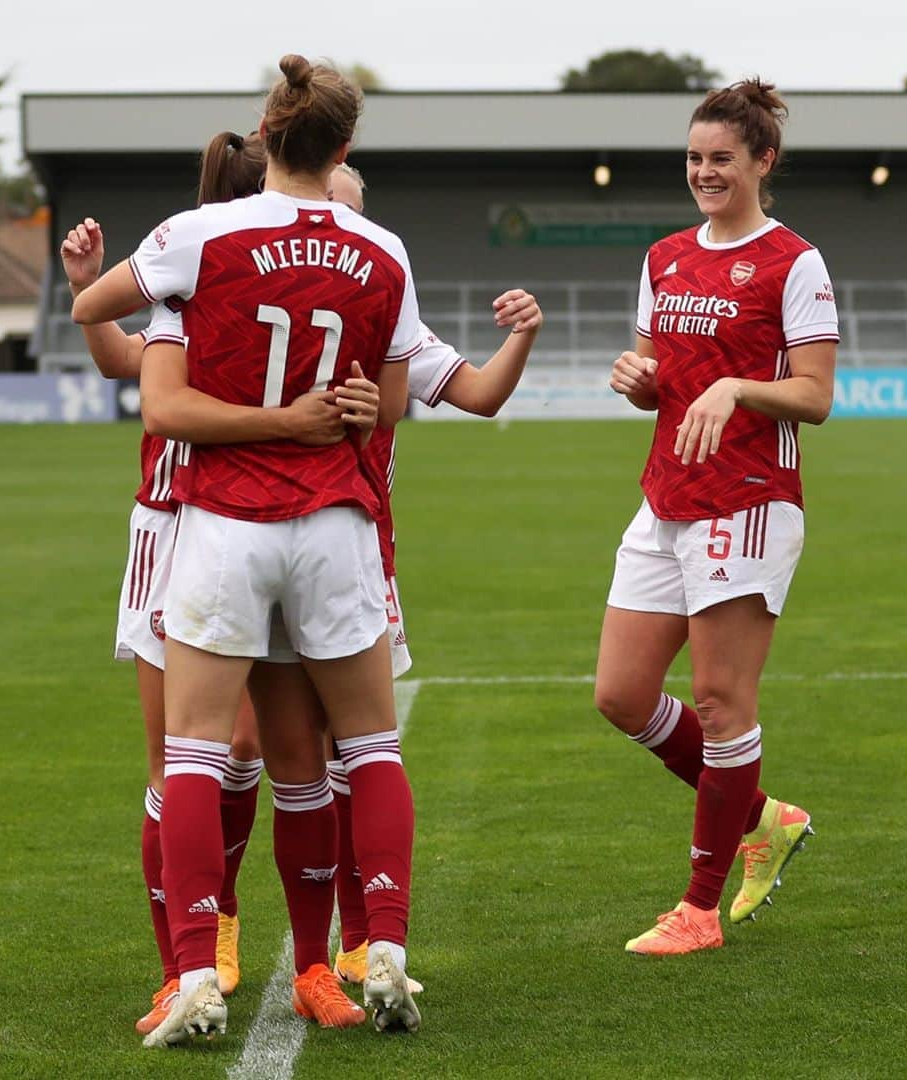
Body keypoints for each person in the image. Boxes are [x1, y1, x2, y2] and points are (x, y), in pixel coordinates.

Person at [73, 54, 423, 1045]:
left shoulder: (196, 236)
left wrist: (172, 295)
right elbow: (388, 404)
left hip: (225, 524)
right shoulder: (384, 250)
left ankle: (192, 973)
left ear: (266, 134)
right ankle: (382, 943)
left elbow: (98, 311)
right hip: (339, 527)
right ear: (344, 147)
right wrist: (340, 406)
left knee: (191, 753)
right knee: (367, 746)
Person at [597, 78, 836, 956]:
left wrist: (737, 386)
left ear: (762, 162)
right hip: (666, 496)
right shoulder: (664, 257)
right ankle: (763, 817)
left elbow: (814, 396)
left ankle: (699, 909)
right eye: (695, 158)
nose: (704, 172)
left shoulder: (794, 261)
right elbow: (660, 375)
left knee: (721, 700)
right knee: (620, 696)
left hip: (750, 502)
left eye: (721, 159)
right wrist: (641, 382)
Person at [323, 163, 543, 984]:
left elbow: (480, 394)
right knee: (243, 754)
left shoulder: (390, 320)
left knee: (351, 754)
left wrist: (521, 334)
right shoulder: (248, 294)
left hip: (357, 558)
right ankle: (220, 938)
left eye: (353, 210)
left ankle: (354, 941)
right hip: (254, 549)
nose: (340, 225)